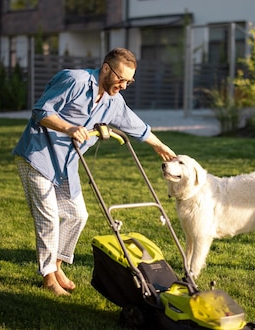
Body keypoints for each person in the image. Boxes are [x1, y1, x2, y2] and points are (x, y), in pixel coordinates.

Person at [13, 47, 176, 296]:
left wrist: (160, 146)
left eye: (129, 81)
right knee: (48, 216)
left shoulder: (114, 101)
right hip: (38, 156)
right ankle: (48, 277)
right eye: (121, 79)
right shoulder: (74, 80)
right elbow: (41, 111)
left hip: (67, 164)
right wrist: (69, 128)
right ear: (106, 68)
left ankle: (56, 267)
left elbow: (136, 126)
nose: (123, 85)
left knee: (78, 215)